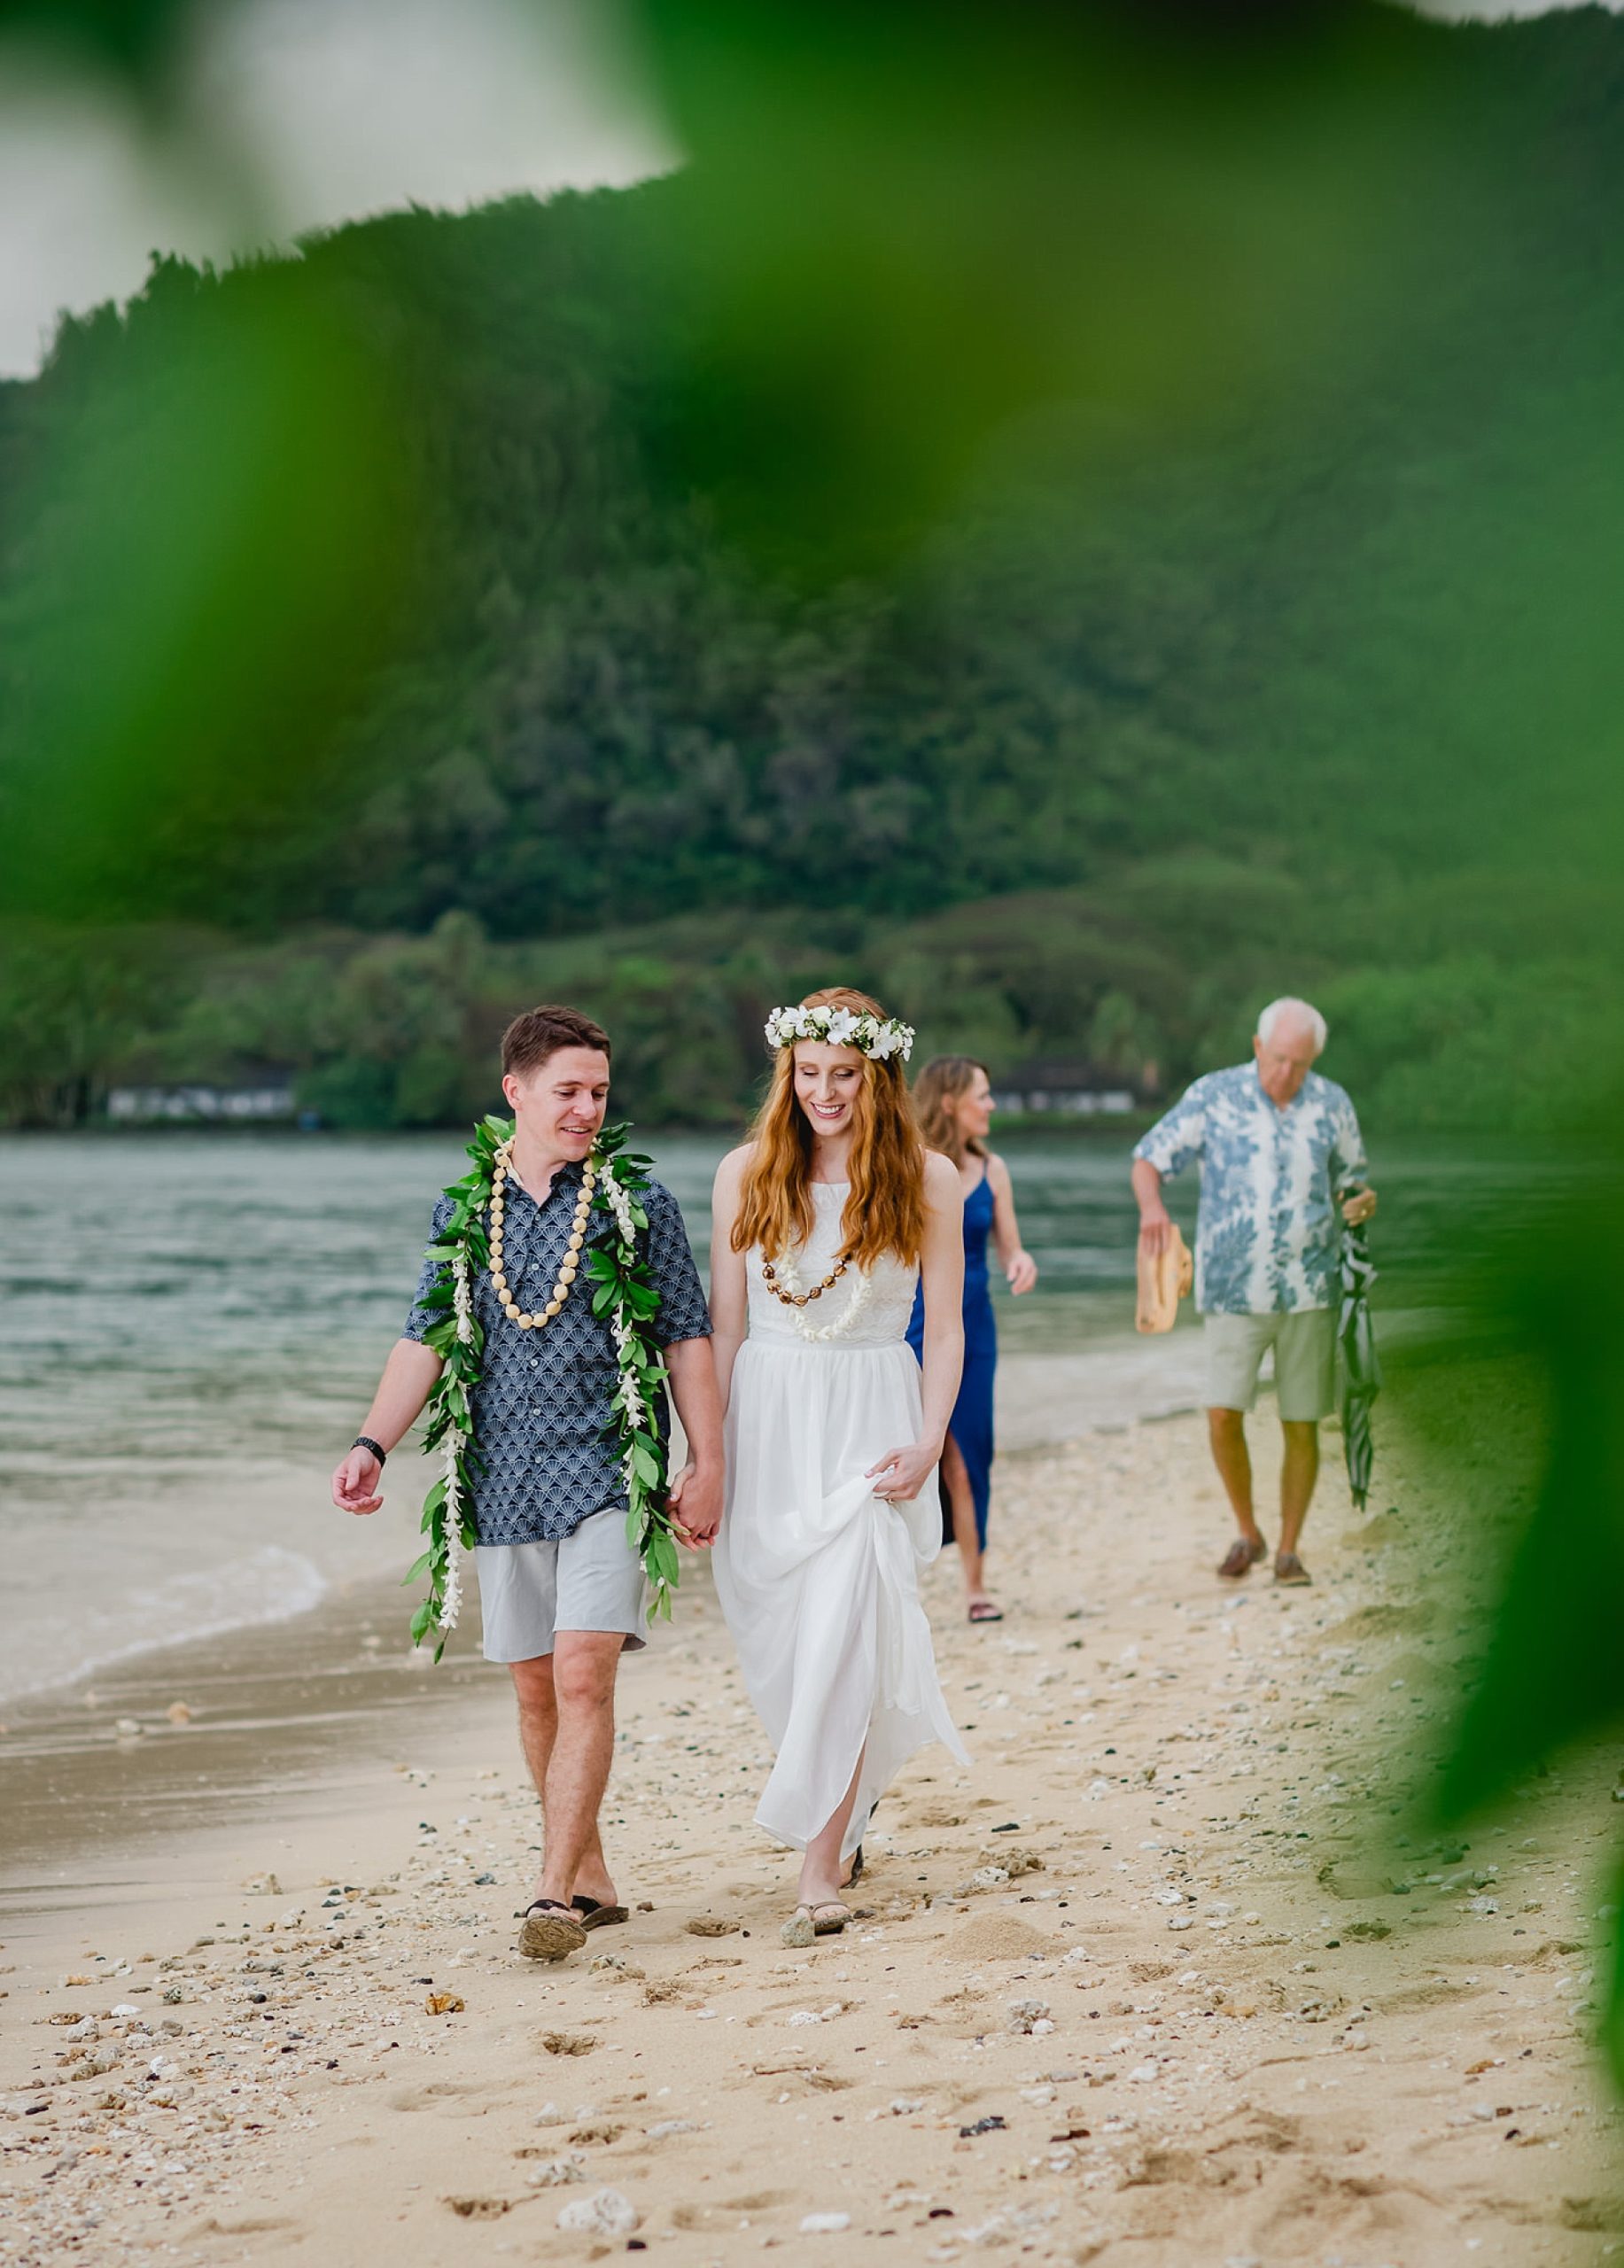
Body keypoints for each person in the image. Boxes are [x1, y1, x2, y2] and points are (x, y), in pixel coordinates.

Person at [330, 1005, 722, 1962]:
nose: (588, 1108)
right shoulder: (468, 1207)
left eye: (599, 1092)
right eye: (569, 1091)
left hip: (606, 1468)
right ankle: (589, 1874)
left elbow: (686, 1338)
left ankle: (549, 1895)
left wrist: (710, 1462)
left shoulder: (639, 1205)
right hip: (500, 1474)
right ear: (516, 1092)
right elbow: (426, 1336)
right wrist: (373, 1443)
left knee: (586, 1669)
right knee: (537, 1690)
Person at [710, 987, 968, 1944]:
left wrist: (931, 1439)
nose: (825, 1092)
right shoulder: (744, 1172)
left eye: (844, 1076)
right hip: (770, 1423)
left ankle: (819, 1871)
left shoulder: (929, 1180)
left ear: (880, 1077)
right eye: (809, 1073)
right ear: (789, 1073)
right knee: (785, 1646)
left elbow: (947, 1331)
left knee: (848, 1637)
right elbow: (725, 1327)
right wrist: (711, 1454)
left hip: (873, 1420)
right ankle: (841, 1813)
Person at [1130, 997, 1377, 1587]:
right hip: (1231, 1289)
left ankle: (1289, 1550)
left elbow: (1353, 1180)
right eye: (1279, 1059)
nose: (1287, 1074)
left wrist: (1361, 1202)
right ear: (1257, 1046)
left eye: (1300, 1064)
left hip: (1309, 1288)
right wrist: (1151, 1211)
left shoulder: (1331, 1103)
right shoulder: (1212, 1095)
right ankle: (1248, 1532)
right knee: (1221, 1413)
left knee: (1300, 1420)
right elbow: (1147, 1159)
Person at [905, 1056, 1038, 1624]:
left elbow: (1009, 1245)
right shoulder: (911, 1167)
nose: (990, 1105)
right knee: (903, 1450)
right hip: (913, 1323)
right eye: (981, 1095)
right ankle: (896, 1582)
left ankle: (975, 1588)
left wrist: (1021, 1260)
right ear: (948, 1102)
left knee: (967, 1456)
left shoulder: (995, 1169)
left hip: (975, 1325)